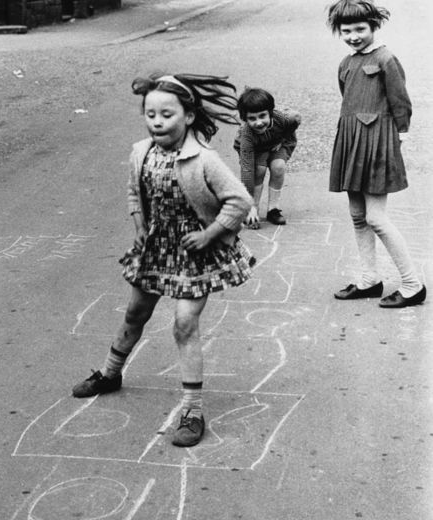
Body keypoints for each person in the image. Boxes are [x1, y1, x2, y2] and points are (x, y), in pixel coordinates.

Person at [72, 73, 255, 447]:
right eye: (150, 113)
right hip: (157, 249)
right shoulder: (141, 151)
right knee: (135, 314)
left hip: (194, 253)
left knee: (184, 324)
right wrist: (139, 223)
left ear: (188, 116)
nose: (156, 121)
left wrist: (209, 234)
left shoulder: (204, 159)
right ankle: (110, 373)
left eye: (166, 114)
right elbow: (133, 190)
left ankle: (192, 410)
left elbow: (240, 201)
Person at [327, 0, 426, 308]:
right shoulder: (346, 62)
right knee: (357, 216)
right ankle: (369, 280)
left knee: (377, 218)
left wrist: (401, 134)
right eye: (346, 31)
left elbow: (400, 101)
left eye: (360, 29)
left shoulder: (385, 59)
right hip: (352, 141)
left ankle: (413, 284)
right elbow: (348, 97)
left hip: (377, 143)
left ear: (373, 26)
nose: (353, 37)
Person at [233, 87, 301, 228]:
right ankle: (253, 210)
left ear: (270, 113)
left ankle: (273, 210)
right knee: (258, 170)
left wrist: (283, 138)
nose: (258, 122)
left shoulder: (281, 118)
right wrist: (249, 206)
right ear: (245, 119)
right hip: (257, 148)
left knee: (278, 167)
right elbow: (247, 172)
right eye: (252, 118)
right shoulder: (247, 137)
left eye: (262, 116)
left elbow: (296, 119)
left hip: (276, 142)